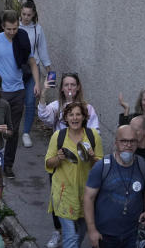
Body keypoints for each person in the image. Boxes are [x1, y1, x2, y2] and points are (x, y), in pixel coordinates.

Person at [0, 10, 41, 178]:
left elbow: (33, 63)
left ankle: (8, 165)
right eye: (9, 29)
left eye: (15, 29)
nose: (12, 32)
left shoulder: (22, 39)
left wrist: (37, 84)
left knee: (12, 131)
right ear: (3, 27)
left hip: (18, 91)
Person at [84, 125, 145, 248]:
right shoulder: (101, 167)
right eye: (124, 141)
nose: (128, 145)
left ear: (137, 143)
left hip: (133, 235)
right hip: (105, 235)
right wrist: (91, 230)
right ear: (116, 143)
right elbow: (88, 198)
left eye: (132, 141)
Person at [44, 101, 102, 248]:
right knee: (70, 237)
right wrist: (58, 158)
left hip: (86, 194)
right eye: (71, 115)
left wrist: (92, 158)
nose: (74, 118)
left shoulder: (93, 135)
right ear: (66, 117)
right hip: (63, 194)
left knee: (80, 234)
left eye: (78, 114)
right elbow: (48, 163)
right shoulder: (58, 136)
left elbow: (101, 165)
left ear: (84, 117)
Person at [19, 0, 53, 148]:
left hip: (33, 69)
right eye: (24, 14)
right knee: (15, 100)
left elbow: (42, 49)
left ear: (33, 15)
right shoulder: (15, 26)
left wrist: (48, 68)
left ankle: (26, 132)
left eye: (29, 15)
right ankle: (9, 129)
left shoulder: (37, 29)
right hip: (17, 69)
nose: (26, 17)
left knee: (31, 100)